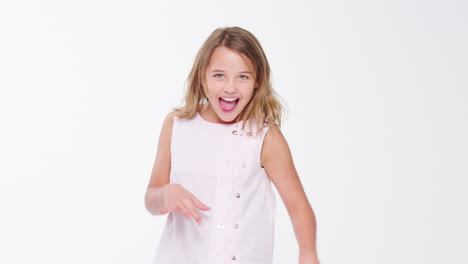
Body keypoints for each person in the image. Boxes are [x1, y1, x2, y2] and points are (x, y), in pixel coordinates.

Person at [145, 26, 320, 264]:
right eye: (219, 75)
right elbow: (151, 199)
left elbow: (299, 207)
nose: (230, 87)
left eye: (243, 76)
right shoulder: (176, 125)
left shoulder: (265, 137)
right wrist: (165, 195)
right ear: (202, 77)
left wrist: (308, 255)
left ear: (257, 81)